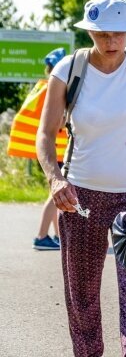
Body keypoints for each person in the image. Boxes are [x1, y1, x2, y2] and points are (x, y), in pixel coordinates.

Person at [36, 0, 126, 357]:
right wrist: (55, 179)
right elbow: (45, 135)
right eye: (104, 34)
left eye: (120, 34)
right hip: (80, 195)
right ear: (90, 31)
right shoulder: (68, 69)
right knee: (82, 288)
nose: (112, 42)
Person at [7, 47, 67, 250]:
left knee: (55, 193)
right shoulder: (54, 87)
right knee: (57, 192)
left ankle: (57, 236)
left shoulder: (43, 87)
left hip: (50, 150)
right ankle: (41, 236)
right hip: (57, 149)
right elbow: (57, 123)